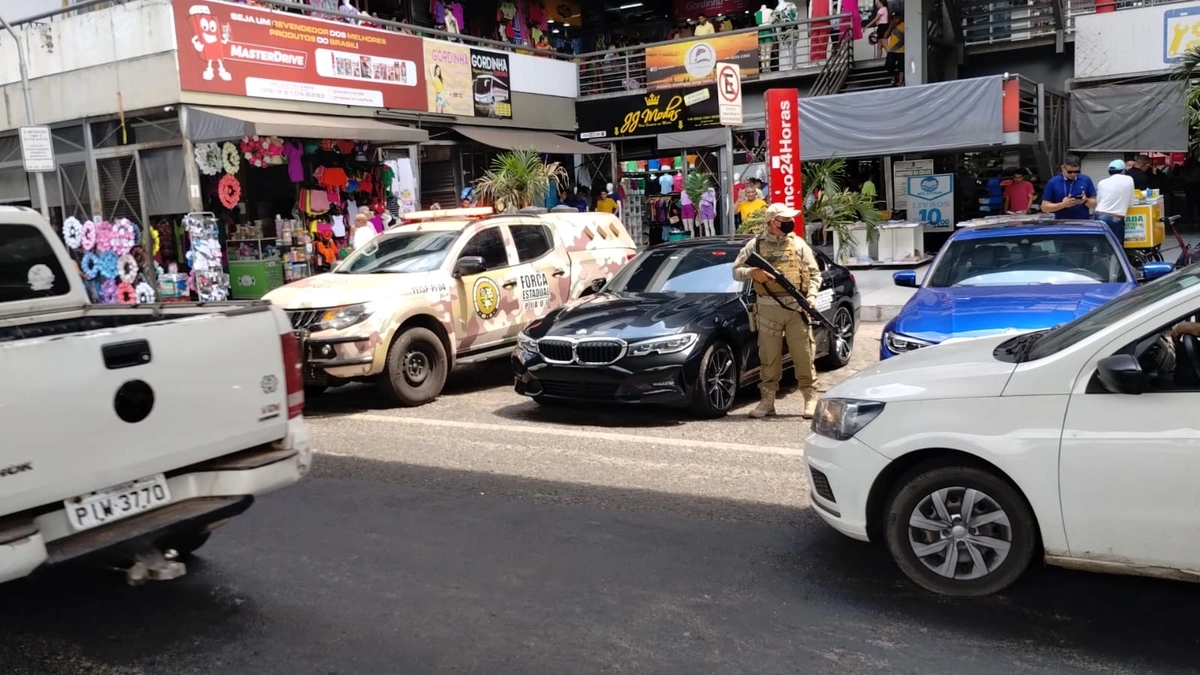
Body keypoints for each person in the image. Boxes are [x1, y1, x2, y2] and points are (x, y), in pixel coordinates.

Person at [731, 203, 823, 419]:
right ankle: (767, 401)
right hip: (767, 309)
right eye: (784, 219)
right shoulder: (755, 245)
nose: (790, 222)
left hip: (795, 308)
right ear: (773, 222)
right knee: (769, 358)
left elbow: (815, 274)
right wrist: (753, 272)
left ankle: (810, 398)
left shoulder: (798, 244)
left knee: (803, 355)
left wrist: (810, 297)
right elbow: (736, 271)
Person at [1040, 155, 1096, 220]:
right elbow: (1044, 207)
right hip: (1060, 223)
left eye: (1076, 172)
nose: (1073, 174)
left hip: (1082, 222)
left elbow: (1094, 204)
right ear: (1063, 168)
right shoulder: (1053, 182)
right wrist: (1063, 205)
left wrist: (1085, 200)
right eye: (1070, 172)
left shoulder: (1086, 180)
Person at [1094, 159, 1135, 245]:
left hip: (1099, 215)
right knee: (1117, 246)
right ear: (1123, 170)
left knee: (1102, 245)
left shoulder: (1102, 182)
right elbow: (1131, 203)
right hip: (1116, 217)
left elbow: (1099, 201)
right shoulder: (1129, 179)